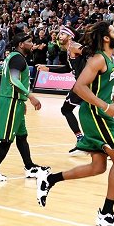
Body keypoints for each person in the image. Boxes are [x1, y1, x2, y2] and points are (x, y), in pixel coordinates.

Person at [36, 21, 114, 226]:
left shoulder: (108, 58)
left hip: (98, 111)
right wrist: (105, 107)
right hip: (95, 114)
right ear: (106, 38)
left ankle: (50, 179)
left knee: (98, 166)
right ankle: (106, 213)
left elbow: (102, 90)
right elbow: (79, 87)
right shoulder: (98, 59)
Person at [0, 32, 48, 182]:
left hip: (16, 101)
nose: (32, 44)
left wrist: (22, 100)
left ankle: (29, 167)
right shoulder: (18, 59)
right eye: (30, 41)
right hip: (11, 101)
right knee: (7, 139)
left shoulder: (14, 57)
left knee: (22, 136)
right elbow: (14, 80)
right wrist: (30, 96)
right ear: (21, 44)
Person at [35, 26, 86, 155]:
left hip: (85, 84)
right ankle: (84, 141)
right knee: (73, 111)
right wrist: (48, 69)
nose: (59, 36)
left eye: (63, 34)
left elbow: (91, 54)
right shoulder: (69, 49)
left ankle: (87, 142)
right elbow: (68, 69)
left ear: (70, 36)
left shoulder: (75, 46)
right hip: (81, 85)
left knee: (69, 110)